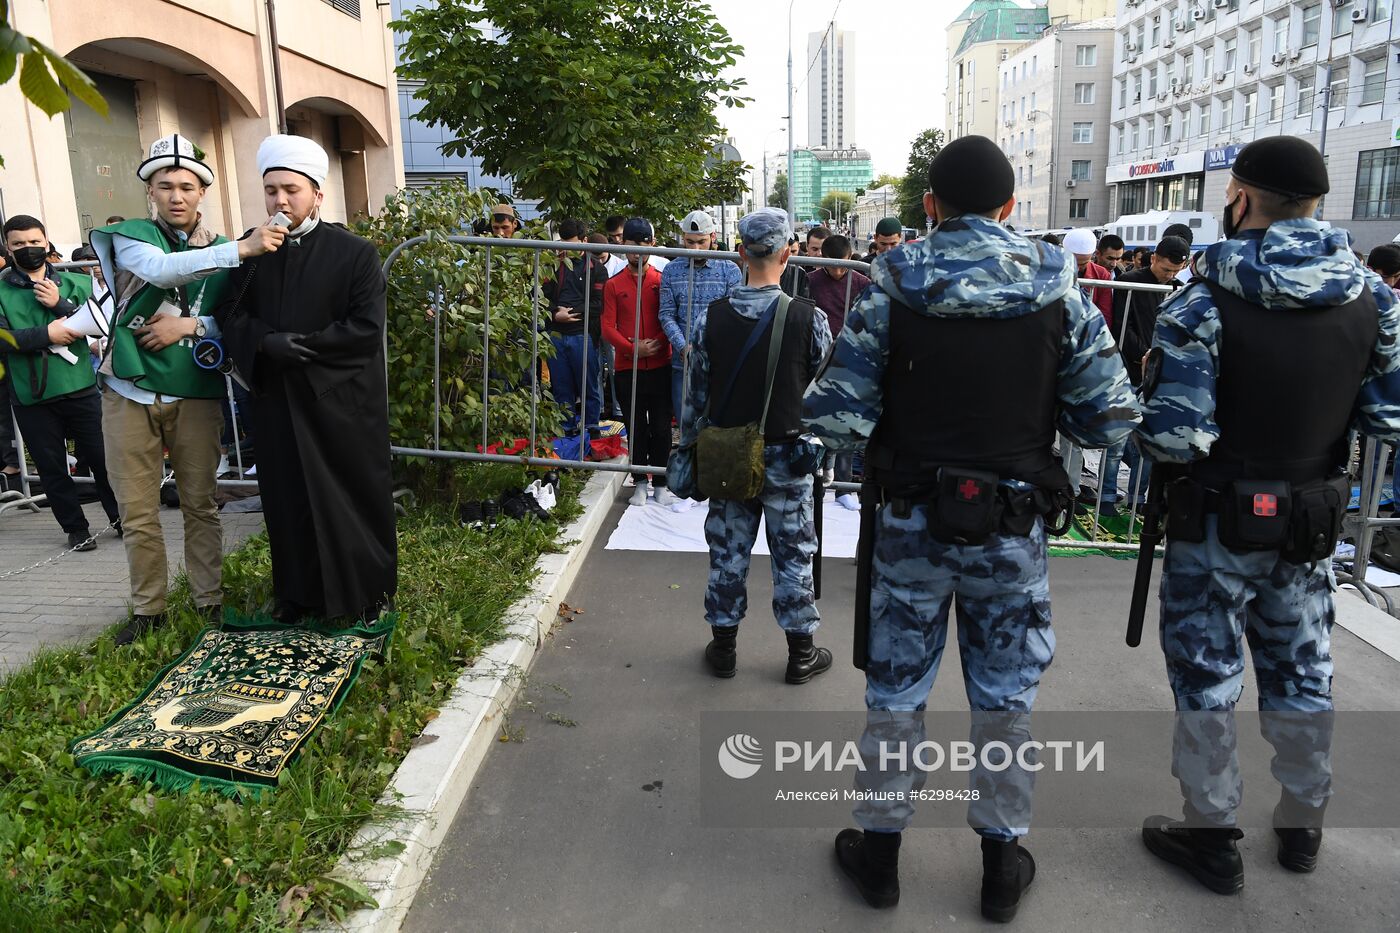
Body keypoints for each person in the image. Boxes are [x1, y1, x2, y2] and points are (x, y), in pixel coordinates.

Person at [804, 135, 1139, 921]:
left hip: (911, 522)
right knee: (1005, 697)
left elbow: (835, 418)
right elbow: (1110, 419)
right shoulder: (1062, 291)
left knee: (895, 692)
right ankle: (1000, 866)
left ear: (930, 206)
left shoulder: (890, 289)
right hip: (1012, 527)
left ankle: (880, 859)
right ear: (1011, 207)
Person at [1135, 136, 1400, 894]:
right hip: (1312, 519)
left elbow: (1175, 435)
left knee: (1208, 676)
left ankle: (1212, 832)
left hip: (1217, 521)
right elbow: (1390, 418)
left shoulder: (1203, 297)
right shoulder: (1373, 296)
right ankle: (1301, 822)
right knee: (1302, 668)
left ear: (1242, 199)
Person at [89, 133, 285, 645]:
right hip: (128, 390)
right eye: (164, 186)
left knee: (200, 504)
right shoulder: (134, 237)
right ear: (149, 193)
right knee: (137, 510)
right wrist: (239, 248)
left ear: (202, 193)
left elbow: (233, 324)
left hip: (195, 393)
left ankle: (208, 604)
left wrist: (190, 327)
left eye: (186, 186)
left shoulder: (224, 250)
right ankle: (149, 610)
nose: (176, 195)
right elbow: (159, 270)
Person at [217, 134, 397, 625]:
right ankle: (296, 596)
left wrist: (305, 348)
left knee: (350, 495)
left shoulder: (354, 253)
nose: (279, 201)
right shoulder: (254, 253)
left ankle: (363, 594)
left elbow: (365, 328)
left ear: (317, 193)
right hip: (277, 399)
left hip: (340, 401)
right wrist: (262, 342)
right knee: (286, 498)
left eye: (291, 190)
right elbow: (229, 314)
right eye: (271, 189)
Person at [680, 207, 834, 685]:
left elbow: (695, 397)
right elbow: (823, 394)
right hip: (788, 457)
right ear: (789, 254)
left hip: (727, 455)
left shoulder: (712, 318)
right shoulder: (810, 318)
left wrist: (688, 448)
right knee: (793, 555)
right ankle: (800, 654)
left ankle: (724, 649)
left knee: (728, 552)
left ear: (741, 252)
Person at [0, 214, 121, 548]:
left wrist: (59, 305)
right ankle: (76, 529)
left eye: (35, 242)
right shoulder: (0, 289)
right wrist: (46, 334)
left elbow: (99, 324)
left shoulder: (77, 283)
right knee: (52, 467)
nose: (28, 249)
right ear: (8, 248)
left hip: (79, 385)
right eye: (19, 244)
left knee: (103, 459)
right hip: (31, 393)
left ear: (46, 241)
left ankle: (121, 519)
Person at [1097, 235, 1189, 509]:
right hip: (1128, 369)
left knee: (1148, 444)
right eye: (1166, 269)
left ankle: (1137, 499)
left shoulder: (1179, 288)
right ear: (1154, 259)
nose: (1170, 275)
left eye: (1175, 270)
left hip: (1159, 374)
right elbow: (1122, 328)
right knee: (1116, 442)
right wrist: (1145, 356)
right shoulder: (1129, 282)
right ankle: (1107, 498)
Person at [601, 218, 673, 507]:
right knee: (635, 427)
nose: (638, 250)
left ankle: (662, 483)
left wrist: (655, 345)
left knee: (661, 426)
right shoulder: (613, 284)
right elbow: (607, 326)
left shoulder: (661, 280)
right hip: (626, 368)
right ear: (624, 244)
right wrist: (632, 348)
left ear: (652, 245)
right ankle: (640, 481)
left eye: (645, 243)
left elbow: (670, 318)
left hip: (660, 364)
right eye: (632, 244)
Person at [805, 233, 871, 509]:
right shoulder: (811, 281)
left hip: (848, 358)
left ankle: (844, 487)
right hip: (815, 358)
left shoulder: (861, 281)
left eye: (842, 265)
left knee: (845, 421)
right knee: (812, 421)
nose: (837, 271)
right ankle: (813, 480)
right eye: (831, 266)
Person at [659, 210, 742, 427]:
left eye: (701, 242)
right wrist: (683, 347)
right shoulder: (671, 270)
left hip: (719, 362)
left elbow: (735, 315)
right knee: (687, 427)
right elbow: (667, 315)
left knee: (718, 430)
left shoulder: (729, 270)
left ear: (713, 238)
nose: (695, 248)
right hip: (683, 363)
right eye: (690, 242)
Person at [543, 218, 607, 445]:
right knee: (560, 385)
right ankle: (566, 426)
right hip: (556, 333)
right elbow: (540, 296)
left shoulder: (596, 268)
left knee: (589, 383)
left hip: (584, 333)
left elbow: (598, 303)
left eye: (572, 243)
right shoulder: (551, 265)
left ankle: (592, 426)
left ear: (584, 241)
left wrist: (572, 313)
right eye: (563, 243)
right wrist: (554, 313)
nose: (567, 249)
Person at [1063, 228, 1114, 329]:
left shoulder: (1102, 274)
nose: (1077, 267)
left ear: (1093, 254)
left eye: (1082, 264)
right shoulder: (1051, 270)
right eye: (1073, 262)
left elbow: (1105, 313)